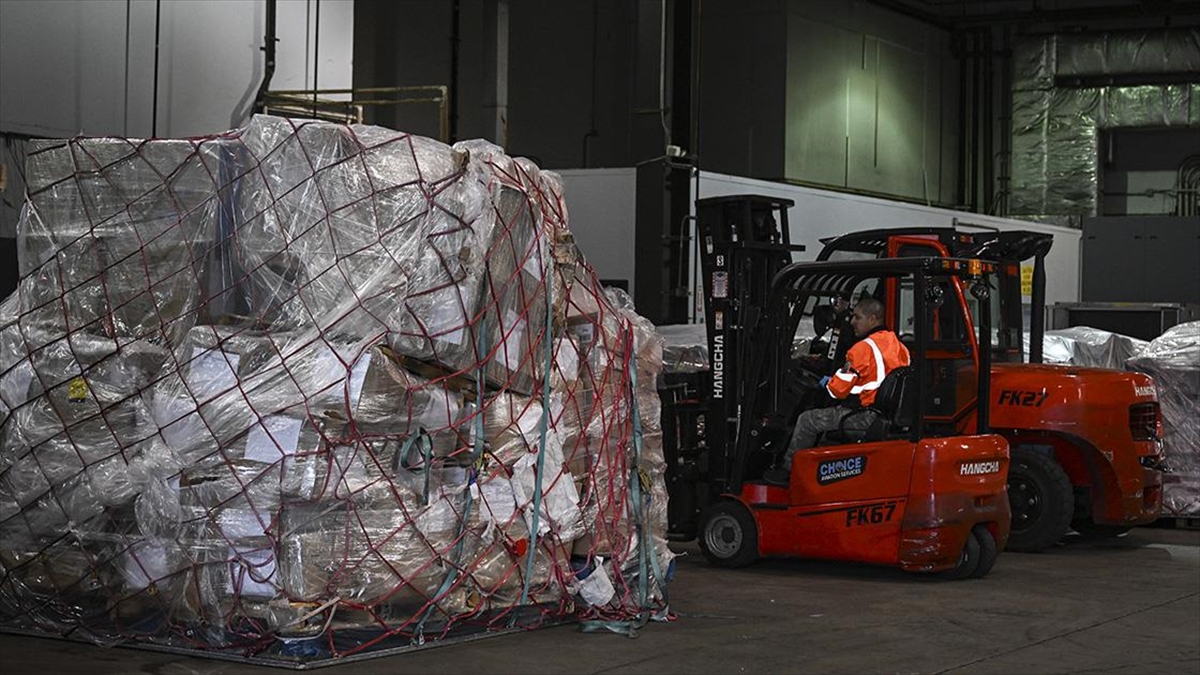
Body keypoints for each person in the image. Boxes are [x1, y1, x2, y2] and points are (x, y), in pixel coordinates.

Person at [767, 297, 911, 483]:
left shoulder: (862, 349)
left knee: (807, 420)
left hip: (864, 417)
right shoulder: (900, 347)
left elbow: (837, 391)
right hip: (887, 416)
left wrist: (826, 382)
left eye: (857, 318)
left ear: (873, 319)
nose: (852, 322)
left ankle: (788, 473)